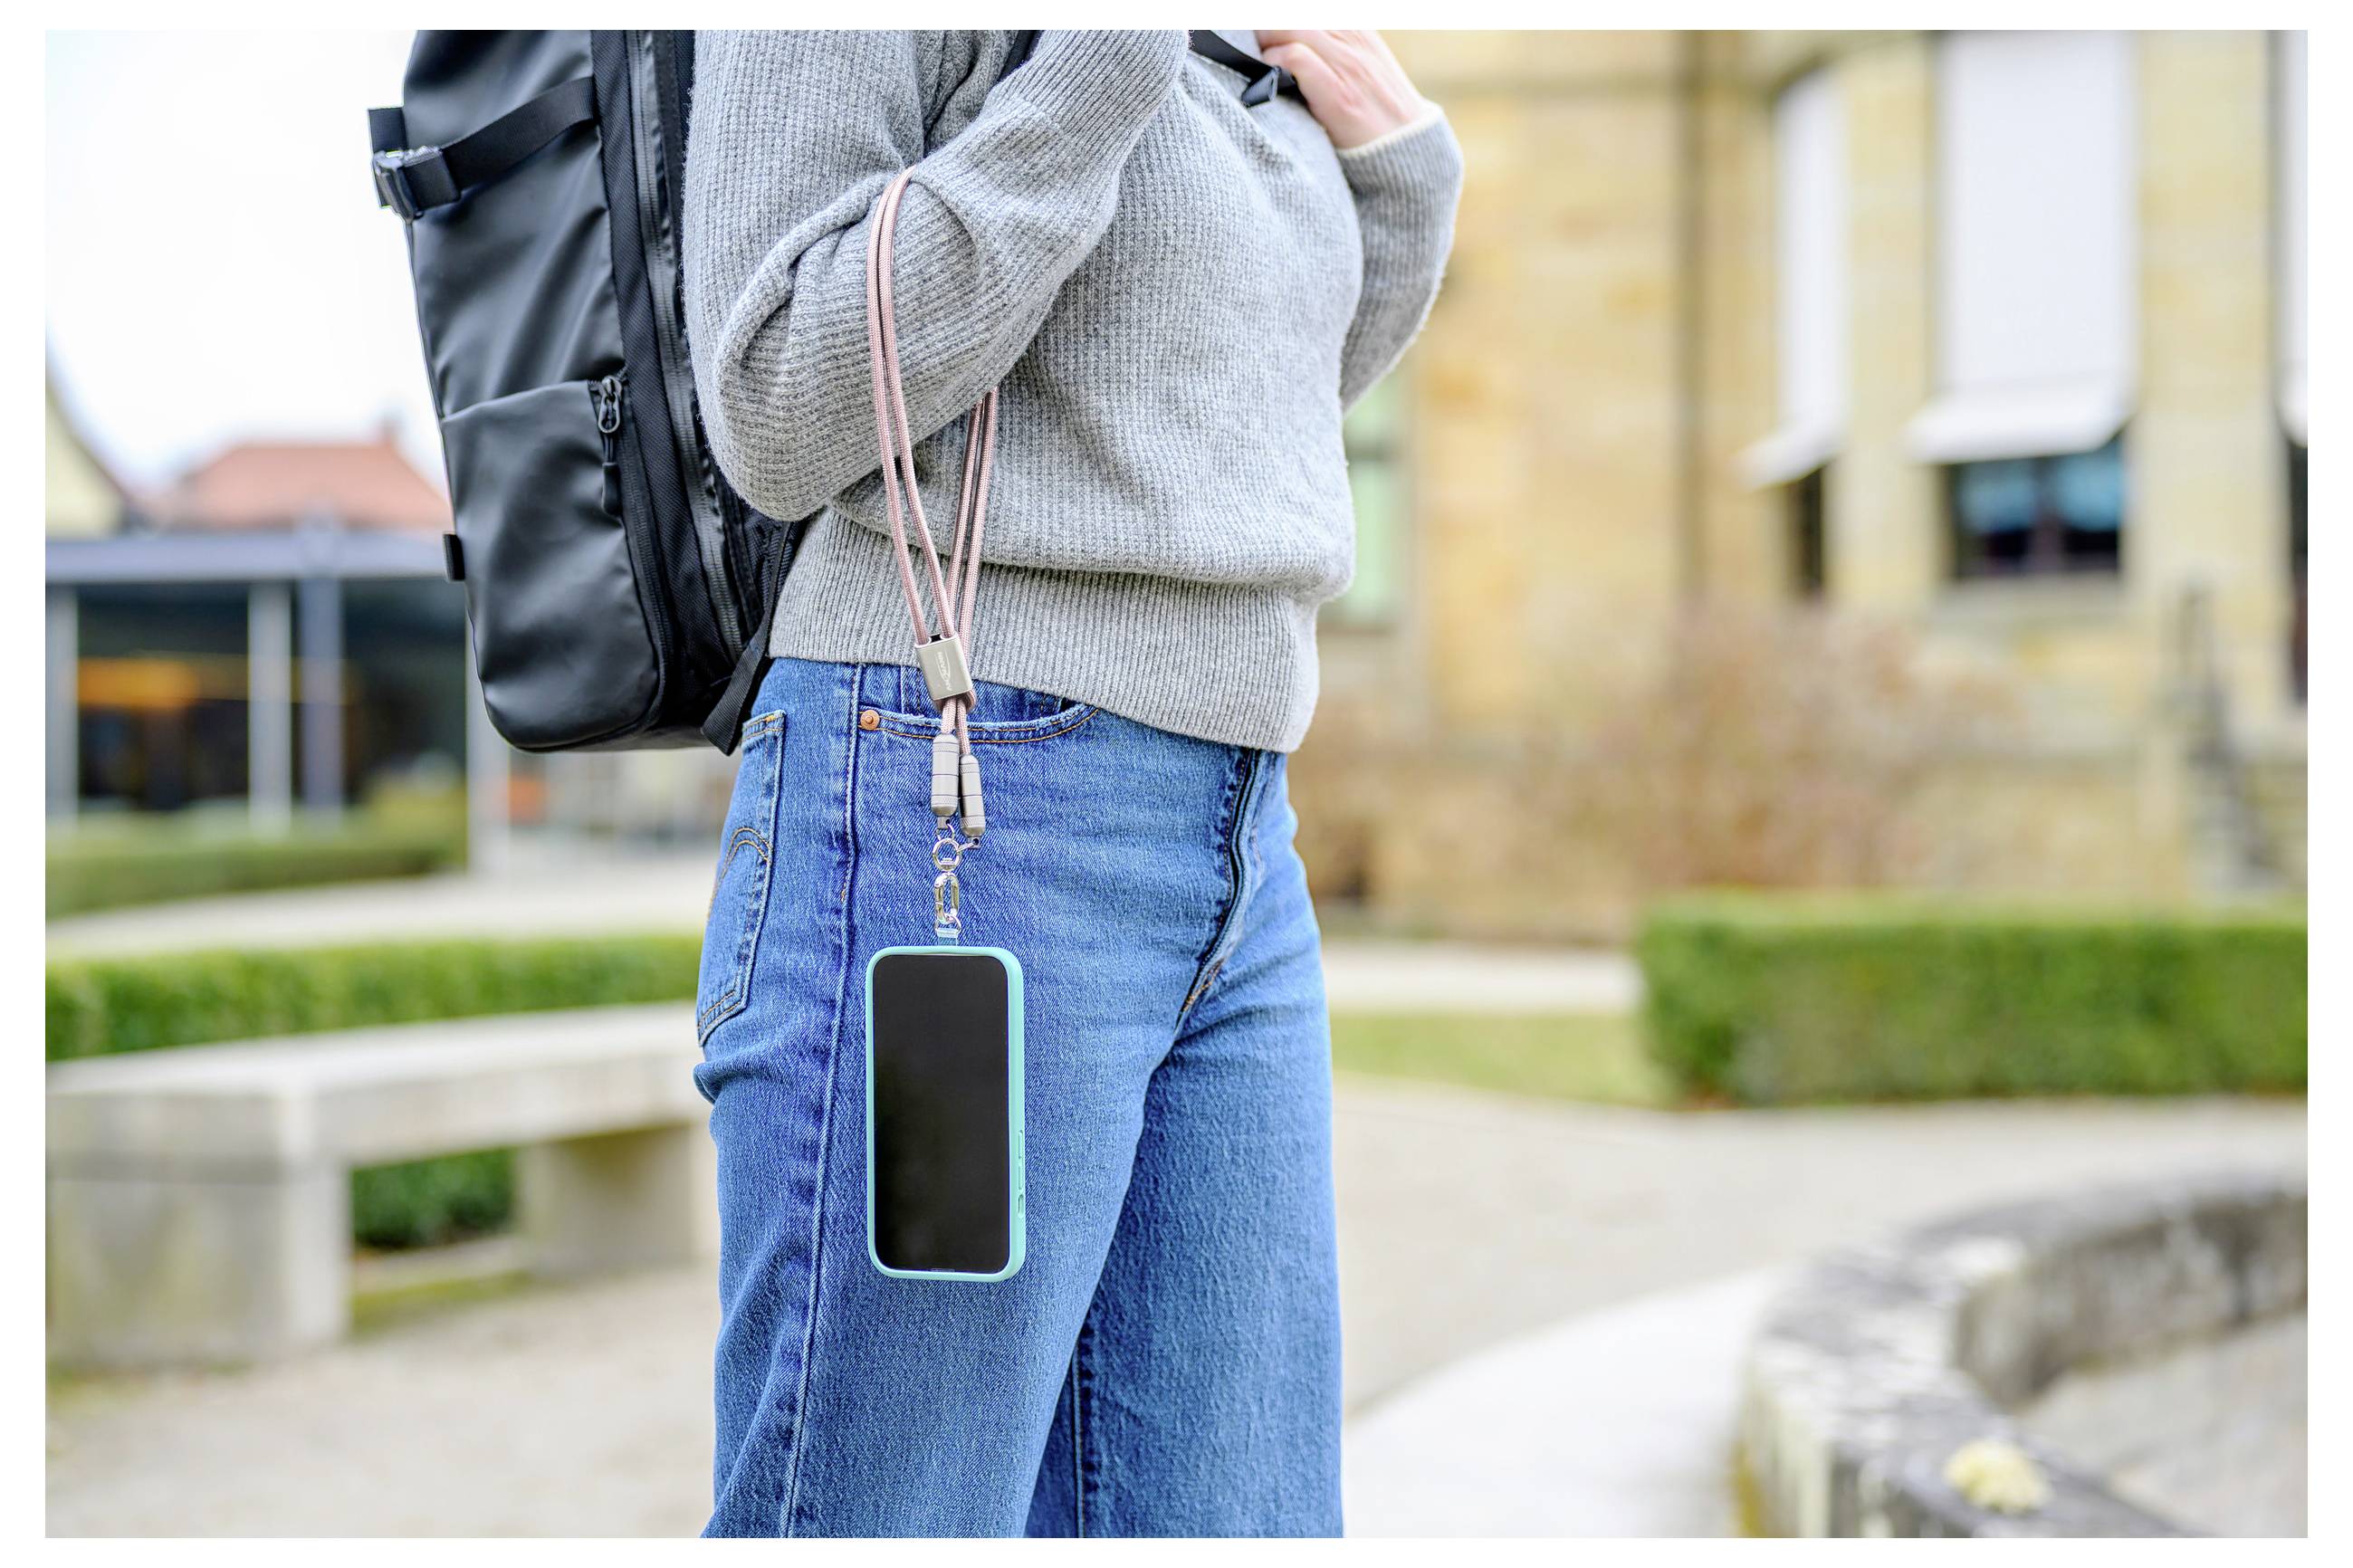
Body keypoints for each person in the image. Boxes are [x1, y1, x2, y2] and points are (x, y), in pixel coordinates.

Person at [682, 27, 1460, 1538]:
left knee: (1233, 1518)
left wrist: (1399, 178)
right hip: (958, 812)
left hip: (1237, 839)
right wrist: (1100, 63)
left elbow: (1213, 425)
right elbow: (777, 401)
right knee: (889, 1515)